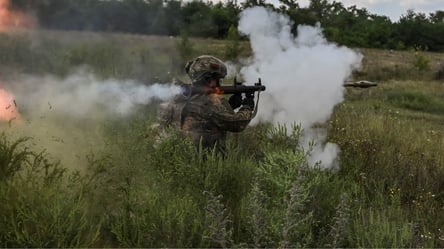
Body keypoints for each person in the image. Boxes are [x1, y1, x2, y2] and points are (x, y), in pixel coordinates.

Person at [158, 55, 255, 153]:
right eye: (217, 80)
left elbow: (206, 118)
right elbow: (237, 124)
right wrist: (247, 106)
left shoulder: (178, 97)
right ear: (208, 80)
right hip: (204, 162)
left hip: (177, 159)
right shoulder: (211, 101)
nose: (218, 84)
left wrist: (230, 105)